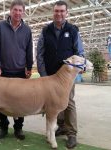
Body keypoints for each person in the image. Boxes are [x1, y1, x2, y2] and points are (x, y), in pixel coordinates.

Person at [36, 1, 84, 149]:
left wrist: (80, 68)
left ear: (66, 13)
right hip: (49, 74)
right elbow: (40, 54)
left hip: (66, 76)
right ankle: (58, 127)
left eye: (62, 11)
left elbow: (79, 52)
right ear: (53, 12)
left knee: (67, 102)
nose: (59, 14)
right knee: (51, 103)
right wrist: (43, 74)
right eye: (56, 11)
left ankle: (71, 133)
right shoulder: (46, 30)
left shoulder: (73, 30)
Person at [0, 0, 33, 140]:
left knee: (21, 101)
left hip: (20, 71)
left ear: (23, 12)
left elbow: (29, 50)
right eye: (15, 10)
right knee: (1, 100)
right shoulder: (0, 26)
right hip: (3, 71)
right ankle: (3, 127)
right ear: (10, 11)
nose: (18, 13)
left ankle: (18, 128)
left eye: (20, 10)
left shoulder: (27, 30)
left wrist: (29, 67)